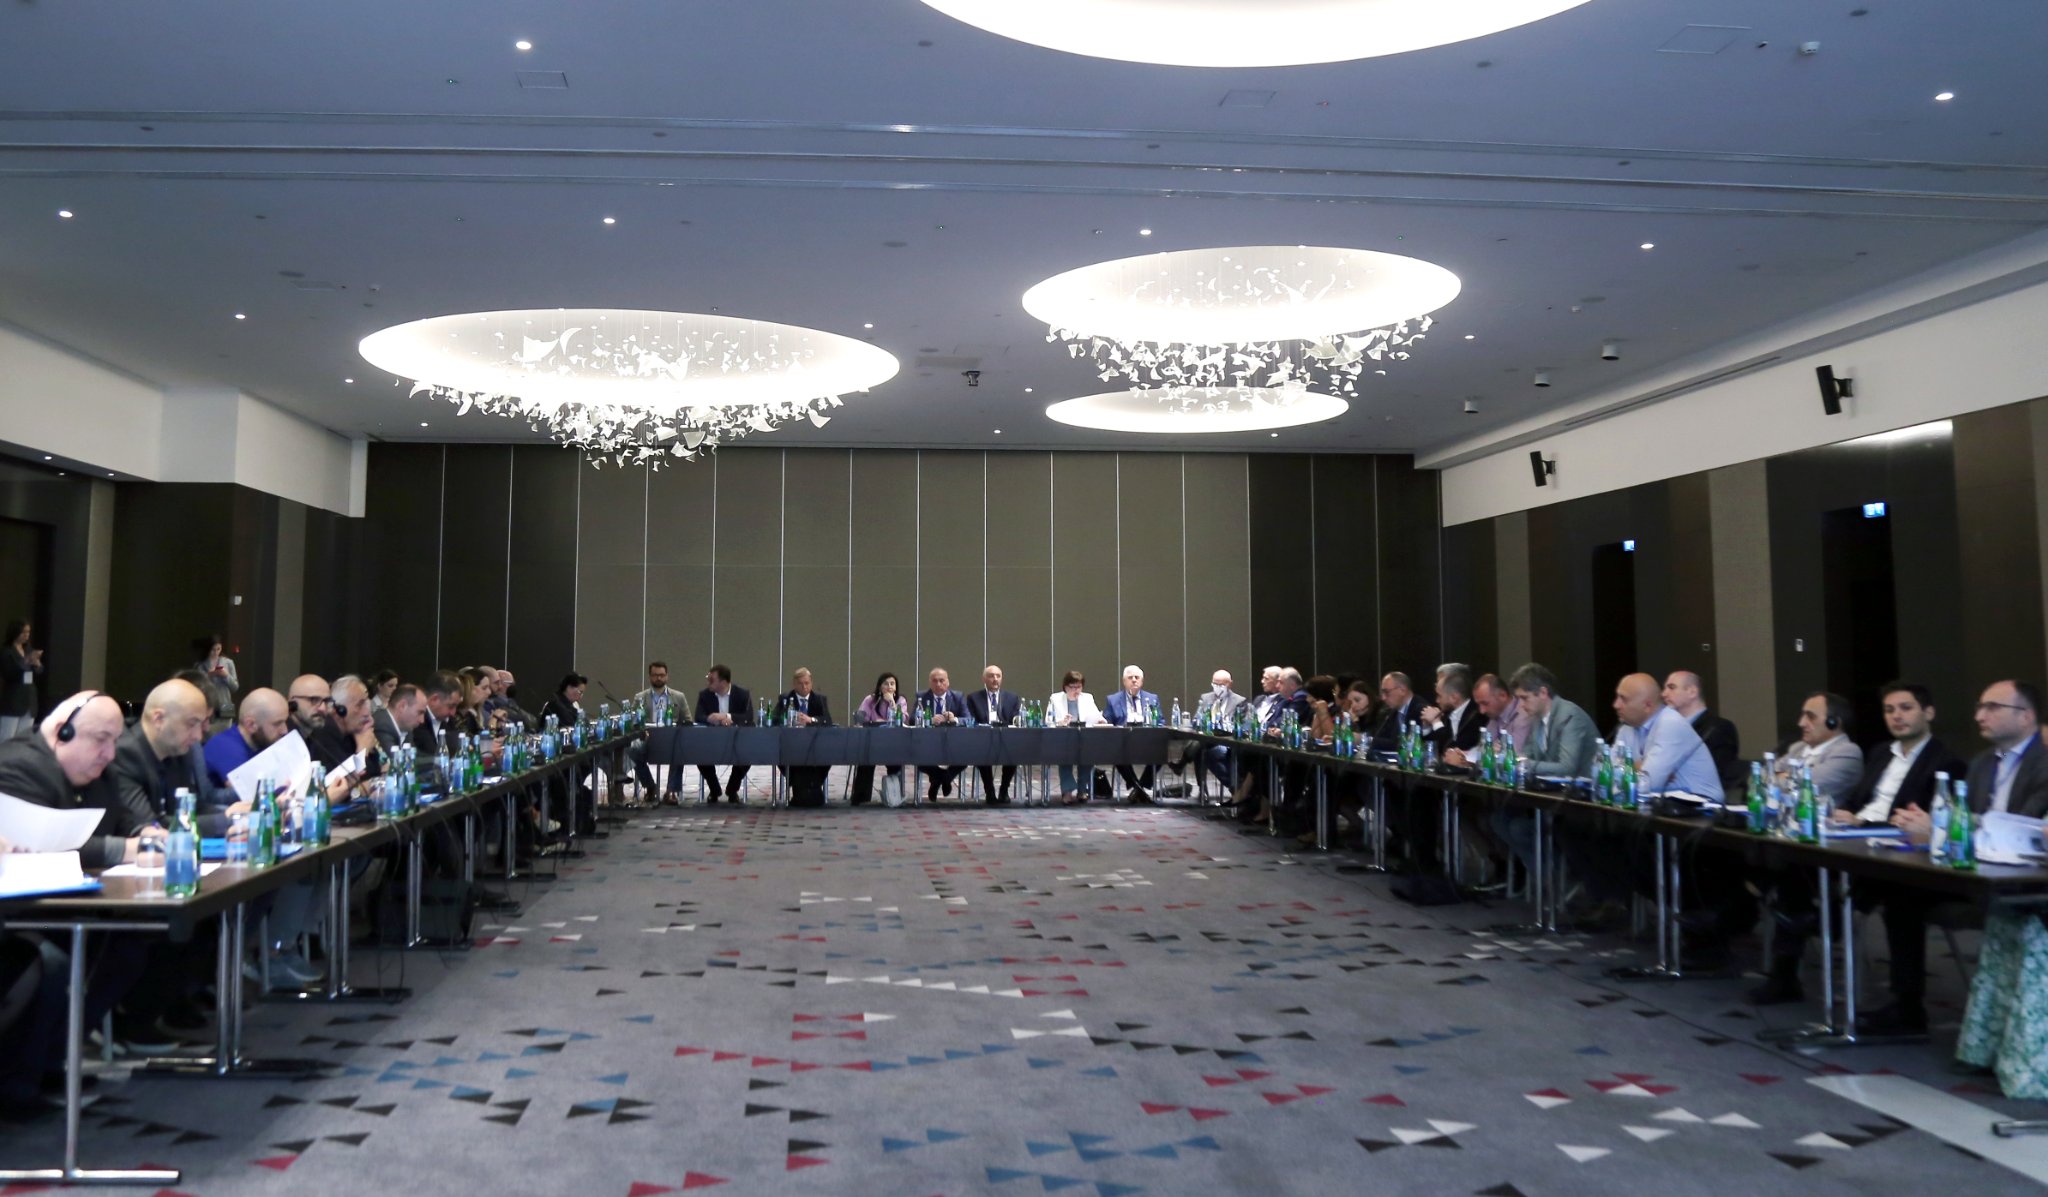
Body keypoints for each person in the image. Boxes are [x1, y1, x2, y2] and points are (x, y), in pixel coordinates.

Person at [1748, 681, 1965, 1008]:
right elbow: (1859, 800)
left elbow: (1919, 823)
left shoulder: (1945, 762)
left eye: (1906, 708)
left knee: (1897, 896)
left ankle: (1830, 924)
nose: (1896, 716)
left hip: (1894, 851)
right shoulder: (1880, 753)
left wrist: (1862, 823)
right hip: (1853, 837)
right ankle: (1785, 975)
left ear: (1929, 713)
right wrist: (1846, 814)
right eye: (1889, 710)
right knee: (1791, 863)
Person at [1876, 681, 2048, 1035]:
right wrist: (1933, 825)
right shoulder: (1982, 762)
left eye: (1992, 707)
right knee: (1900, 892)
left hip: (2021, 883)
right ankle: (1906, 1008)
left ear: (2026, 716)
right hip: (1973, 872)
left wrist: (1943, 825)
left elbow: (2023, 824)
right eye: (1979, 707)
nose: (1979, 716)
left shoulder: (2044, 762)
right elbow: (1964, 818)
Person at [110, 678, 233, 833]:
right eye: (191, 724)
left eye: (200, 725)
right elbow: (151, 827)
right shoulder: (124, 754)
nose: (198, 736)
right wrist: (225, 820)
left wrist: (235, 815)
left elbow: (194, 808)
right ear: (159, 719)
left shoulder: (178, 751)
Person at [1611, 673, 1721, 797]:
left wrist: (1624, 769)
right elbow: (1602, 775)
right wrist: (1637, 767)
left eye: (1624, 699)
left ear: (1647, 705)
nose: (1616, 705)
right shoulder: (1626, 728)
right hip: (1662, 803)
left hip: (1702, 804)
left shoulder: (1671, 723)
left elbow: (1648, 783)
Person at [1773, 692, 1864, 804]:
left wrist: (1781, 775)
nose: (1801, 723)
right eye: (1803, 715)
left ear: (1833, 722)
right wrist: (1786, 778)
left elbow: (1807, 787)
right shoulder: (1798, 747)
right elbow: (1762, 775)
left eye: (1811, 717)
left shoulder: (1848, 752)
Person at [1661, 670, 1742, 790]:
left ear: (1692, 692)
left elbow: (1717, 773)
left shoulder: (1719, 728)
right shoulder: (1667, 729)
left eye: (1671, 687)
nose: (1664, 694)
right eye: (1665, 688)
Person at [202, 687, 290, 786]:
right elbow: (249, 792)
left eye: (285, 721)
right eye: (277, 724)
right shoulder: (225, 747)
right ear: (251, 725)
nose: (285, 730)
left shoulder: (260, 743)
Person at [773, 667, 834, 808]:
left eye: (807, 683)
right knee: (783, 756)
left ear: (811, 683)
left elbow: (827, 721)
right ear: (794, 684)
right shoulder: (785, 699)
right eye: (800, 684)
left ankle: (812, 788)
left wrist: (810, 720)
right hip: (791, 746)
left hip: (815, 746)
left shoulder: (819, 699)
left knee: (828, 754)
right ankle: (801, 789)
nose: (804, 687)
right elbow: (775, 719)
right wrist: (790, 719)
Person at [629, 661, 688, 804]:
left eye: (662, 675)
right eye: (655, 675)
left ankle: (671, 791)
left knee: (681, 748)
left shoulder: (678, 697)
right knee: (632, 751)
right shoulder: (640, 697)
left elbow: (687, 720)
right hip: (647, 739)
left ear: (667, 676)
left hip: (671, 739)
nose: (659, 678)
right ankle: (650, 786)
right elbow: (632, 722)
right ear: (650, 676)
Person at [1102, 665, 1162, 803]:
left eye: (1137, 677)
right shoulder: (1113, 700)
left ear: (1142, 681)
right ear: (1124, 681)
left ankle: (1138, 788)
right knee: (1115, 752)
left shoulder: (1152, 698)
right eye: (1130, 678)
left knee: (1161, 752)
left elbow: (1160, 721)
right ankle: (1138, 789)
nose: (1134, 680)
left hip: (1148, 741)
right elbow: (1107, 722)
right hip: (1123, 743)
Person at [695, 664, 754, 803]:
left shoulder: (742, 694)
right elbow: (698, 716)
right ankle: (714, 789)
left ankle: (732, 789)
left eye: (711, 680)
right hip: (712, 740)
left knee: (747, 756)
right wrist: (710, 718)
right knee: (698, 754)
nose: (708, 683)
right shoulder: (704, 695)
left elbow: (748, 717)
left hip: (737, 740)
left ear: (723, 682)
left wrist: (727, 716)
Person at [850, 672, 910, 806]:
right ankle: (861, 798)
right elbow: (861, 718)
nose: (889, 687)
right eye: (886, 684)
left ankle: (894, 797)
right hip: (872, 742)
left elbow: (903, 719)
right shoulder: (870, 700)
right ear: (879, 686)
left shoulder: (900, 700)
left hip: (893, 743)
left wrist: (892, 702)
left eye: (892, 684)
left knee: (896, 762)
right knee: (865, 761)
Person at [965, 664, 1021, 804]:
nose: (995, 679)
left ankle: (1004, 790)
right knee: (982, 753)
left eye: (998, 676)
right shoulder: (973, 698)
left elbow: (1015, 718)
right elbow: (971, 719)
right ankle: (989, 791)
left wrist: (1016, 720)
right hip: (983, 739)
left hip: (1006, 739)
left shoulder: (1012, 698)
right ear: (984, 679)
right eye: (991, 676)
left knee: (1014, 753)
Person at [1047, 670, 1105, 804]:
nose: (1076, 690)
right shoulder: (1055, 698)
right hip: (1063, 738)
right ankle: (1067, 791)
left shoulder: (1088, 698)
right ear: (1065, 687)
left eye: (1078, 687)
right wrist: (1061, 722)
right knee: (1065, 757)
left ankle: (1082, 789)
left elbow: (1096, 715)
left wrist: (1101, 720)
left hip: (1084, 737)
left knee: (1088, 755)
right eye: (1072, 687)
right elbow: (1048, 720)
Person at [1444, 673, 1524, 769]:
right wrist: (1463, 755)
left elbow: (1512, 757)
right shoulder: (1495, 716)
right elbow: (1484, 748)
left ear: (1502, 695)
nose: (1482, 711)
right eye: (1479, 704)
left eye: (1485, 703)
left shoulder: (1523, 714)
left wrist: (1466, 761)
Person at [915, 667, 969, 800]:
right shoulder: (922, 696)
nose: (938, 684)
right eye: (935, 681)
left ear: (947, 682)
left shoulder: (957, 697)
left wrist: (955, 719)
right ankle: (942, 777)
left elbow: (968, 719)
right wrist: (928, 719)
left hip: (953, 742)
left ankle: (939, 779)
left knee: (966, 756)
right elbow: (912, 719)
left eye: (941, 680)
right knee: (917, 757)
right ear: (930, 683)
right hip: (928, 743)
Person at [1193, 669, 1246, 789]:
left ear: (1230, 684)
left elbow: (1240, 726)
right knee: (1200, 748)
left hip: (1226, 740)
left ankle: (1235, 787)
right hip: (1208, 736)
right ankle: (1235, 788)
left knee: (1201, 749)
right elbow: (1196, 719)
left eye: (1221, 685)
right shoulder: (1206, 697)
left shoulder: (1239, 701)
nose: (1217, 687)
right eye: (1214, 684)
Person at [1419, 666, 1482, 755]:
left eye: (1439, 696)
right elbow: (1430, 749)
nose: (1437, 700)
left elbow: (1453, 749)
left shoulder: (1476, 715)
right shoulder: (1446, 713)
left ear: (1454, 698)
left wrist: (1436, 722)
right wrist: (1427, 726)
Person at [1368, 672, 1430, 755]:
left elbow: (1405, 744)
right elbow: (1380, 737)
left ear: (1402, 690)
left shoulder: (1421, 710)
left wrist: (1367, 739)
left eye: (1386, 692)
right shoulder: (1390, 712)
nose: (1383, 698)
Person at [0, 620, 42, 741]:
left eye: (28, 632)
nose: (26, 635)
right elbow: (8, 673)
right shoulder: (7, 651)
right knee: (7, 737)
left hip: (29, 698)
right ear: (15, 632)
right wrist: (25, 663)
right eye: (23, 632)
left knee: (24, 738)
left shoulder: (28, 649)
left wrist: (37, 664)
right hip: (13, 698)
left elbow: (39, 671)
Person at [191, 634, 238, 722]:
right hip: (209, 704)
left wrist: (226, 676)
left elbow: (235, 687)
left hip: (226, 703)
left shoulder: (228, 663)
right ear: (208, 649)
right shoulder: (200, 665)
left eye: (218, 649)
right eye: (213, 649)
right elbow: (197, 686)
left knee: (226, 729)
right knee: (208, 728)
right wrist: (209, 674)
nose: (216, 652)